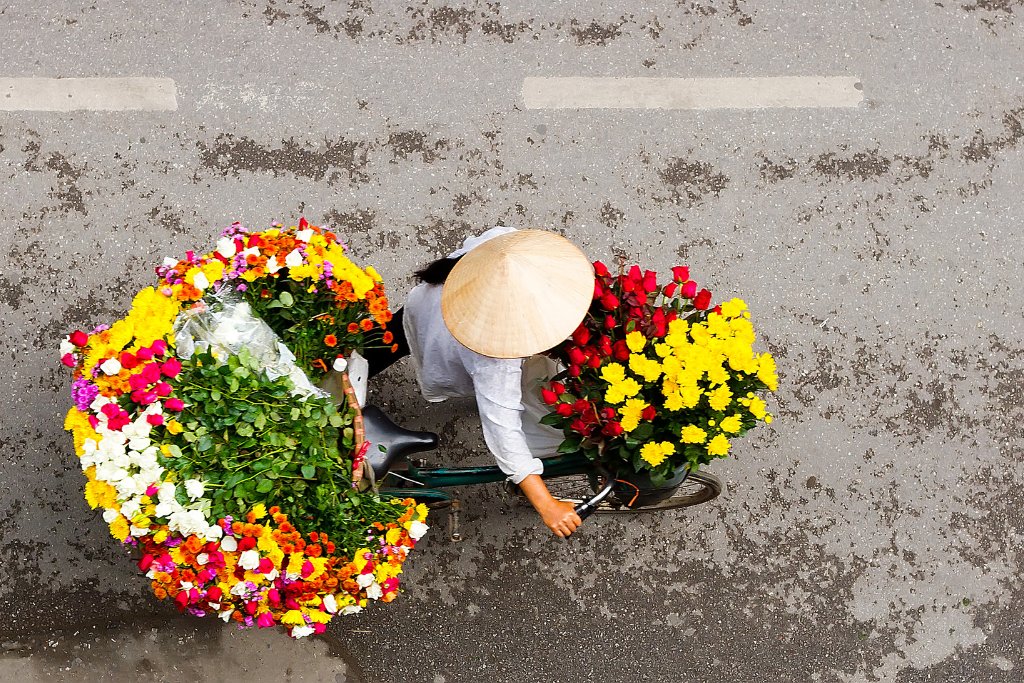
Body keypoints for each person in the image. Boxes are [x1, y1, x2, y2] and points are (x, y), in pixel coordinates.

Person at [363, 227, 595, 538]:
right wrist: (547, 505)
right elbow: (502, 432)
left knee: (384, 342)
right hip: (448, 344)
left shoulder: (503, 248)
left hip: (426, 306)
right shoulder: (496, 358)